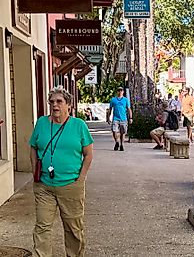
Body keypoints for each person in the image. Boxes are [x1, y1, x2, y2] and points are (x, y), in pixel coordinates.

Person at [29, 86, 93, 257]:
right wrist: (35, 171)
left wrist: (81, 179)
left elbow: (88, 154)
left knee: (73, 227)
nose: (55, 105)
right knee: (42, 226)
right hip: (44, 186)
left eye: (59, 101)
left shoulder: (78, 125)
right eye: (52, 102)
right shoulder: (42, 123)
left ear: (68, 105)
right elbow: (33, 147)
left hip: (71, 184)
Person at [106, 86, 132, 151]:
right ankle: (117, 142)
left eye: (121, 90)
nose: (120, 91)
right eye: (119, 90)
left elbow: (129, 109)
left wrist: (130, 118)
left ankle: (121, 145)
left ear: (123, 92)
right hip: (115, 118)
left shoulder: (125, 100)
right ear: (117, 91)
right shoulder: (113, 100)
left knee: (122, 133)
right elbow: (110, 109)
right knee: (114, 131)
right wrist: (108, 118)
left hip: (123, 119)